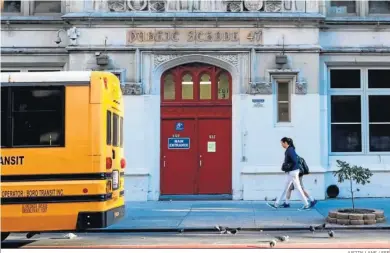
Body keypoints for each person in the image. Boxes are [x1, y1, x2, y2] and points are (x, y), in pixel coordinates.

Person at [267, 137, 311, 210]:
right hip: (290, 172)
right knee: (285, 188)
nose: (281, 145)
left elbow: (294, 160)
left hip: (293, 172)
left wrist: (287, 166)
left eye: (282, 143)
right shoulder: (290, 149)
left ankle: (306, 204)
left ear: (285, 142)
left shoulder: (290, 150)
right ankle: (276, 204)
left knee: (298, 188)